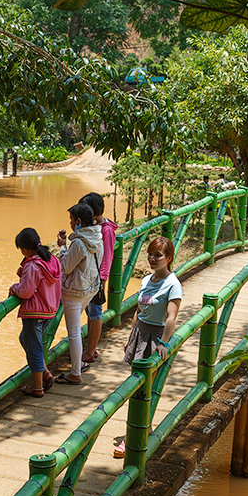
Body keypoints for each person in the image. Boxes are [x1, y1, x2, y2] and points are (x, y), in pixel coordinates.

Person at [120, 237, 182, 458]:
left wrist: (163, 343)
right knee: (136, 386)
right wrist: (130, 337)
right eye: (150, 254)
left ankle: (133, 436)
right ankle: (142, 428)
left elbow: (171, 317)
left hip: (156, 336)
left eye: (158, 255)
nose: (153, 259)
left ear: (169, 258)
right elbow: (138, 311)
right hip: (140, 333)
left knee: (146, 388)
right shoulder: (146, 280)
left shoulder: (173, 284)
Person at [9, 228, 62, 397]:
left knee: (34, 348)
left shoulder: (32, 265)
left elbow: (26, 291)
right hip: (49, 309)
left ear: (25, 249)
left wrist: (14, 288)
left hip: (35, 312)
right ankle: (45, 373)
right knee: (26, 339)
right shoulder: (50, 259)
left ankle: (38, 387)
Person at [55, 203, 103, 385]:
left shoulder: (78, 242)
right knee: (76, 330)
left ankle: (75, 372)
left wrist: (62, 247)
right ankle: (78, 363)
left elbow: (66, 267)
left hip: (74, 291)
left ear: (78, 221)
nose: (69, 223)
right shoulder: (98, 236)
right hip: (90, 288)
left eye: (71, 220)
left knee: (74, 333)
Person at [81, 192, 118, 366]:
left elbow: (108, 256)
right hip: (91, 277)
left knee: (95, 314)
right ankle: (91, 347)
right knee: (91, 313)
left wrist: (102, 280)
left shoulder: (106, 230)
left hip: (96, 279)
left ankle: (89, 351)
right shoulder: (97, 227)